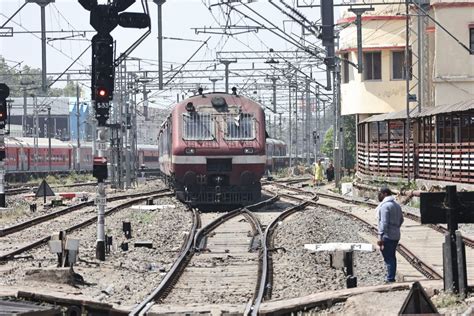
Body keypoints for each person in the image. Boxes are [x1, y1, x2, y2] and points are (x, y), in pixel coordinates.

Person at [376, 187, 404, 283]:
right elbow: (401, 220)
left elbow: (384, 223)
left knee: (388, 258)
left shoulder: (385, 206)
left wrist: (380, 236)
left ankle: (390, 279)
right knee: (392, 256)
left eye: (380, 193)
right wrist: (396, 228)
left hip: (387, 236)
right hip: (396, 235)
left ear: (384, 194)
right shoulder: (396, 205)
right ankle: (391, 277)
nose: (379, 195)